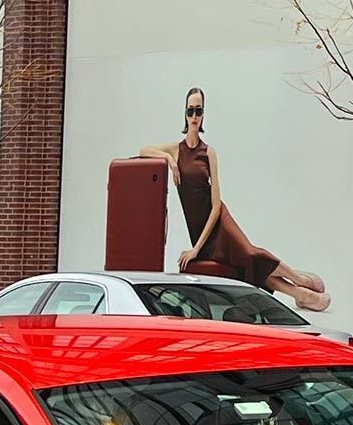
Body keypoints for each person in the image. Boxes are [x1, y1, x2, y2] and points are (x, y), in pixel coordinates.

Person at [138, 87, 329, 312]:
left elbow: (216, 204)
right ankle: (298, 291)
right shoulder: (176, 150)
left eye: (198, 111)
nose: (194, 117)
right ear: (185, 113)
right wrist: (169, 159)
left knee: (249, 255)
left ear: (203, 114)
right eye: (190, 111)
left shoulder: (208, 152)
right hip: (198, 230)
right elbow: (144, 149)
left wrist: (196, 249)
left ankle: (299, 283)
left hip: (218, 221)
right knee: (244, 267)